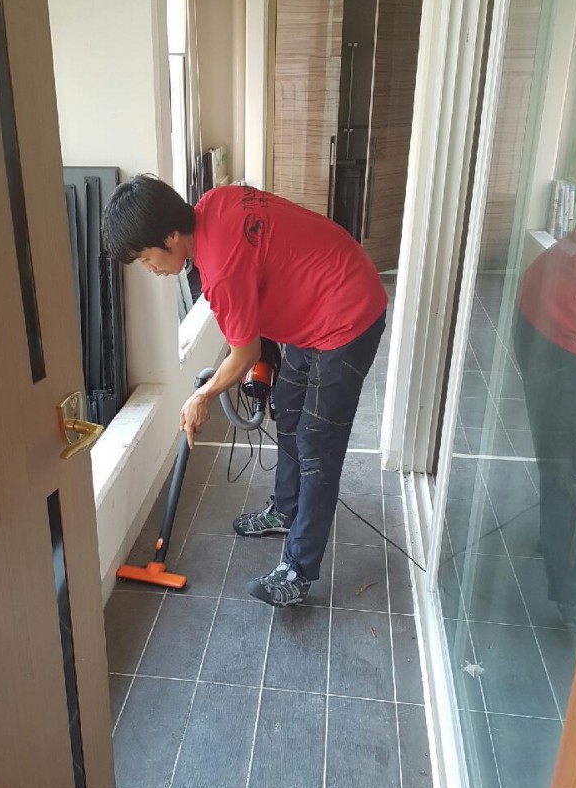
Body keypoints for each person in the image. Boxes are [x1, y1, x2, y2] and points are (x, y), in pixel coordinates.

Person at [102, 175, 387, 607]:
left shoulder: (219, 270)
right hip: (320, 299)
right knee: (287, 406)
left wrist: (201, 396)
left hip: (348, 313)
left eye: (145, 257)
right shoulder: (214, 202)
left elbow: (243, 354)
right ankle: (286, 508)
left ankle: (298, 570)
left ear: (170, 236)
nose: (150, 269)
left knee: (317, 443)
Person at [514, 214, 576, 631]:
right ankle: (574, 596)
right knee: (569, 469)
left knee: (561, 456)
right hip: (564, 333)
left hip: (537, 307)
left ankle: (558, 536)